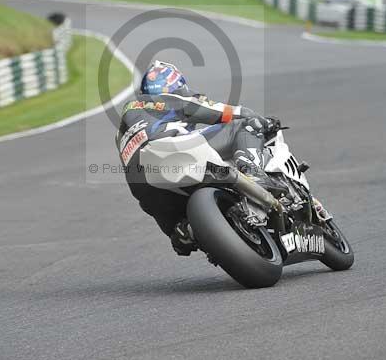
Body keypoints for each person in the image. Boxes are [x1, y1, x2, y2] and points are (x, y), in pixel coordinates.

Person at [115, 60, 285, 256]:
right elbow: (220, 112)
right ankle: (253, 171)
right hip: (175, 152)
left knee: (178, 230)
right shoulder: (171, 98)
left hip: (143, 185)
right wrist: (259, 119)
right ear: (177, 84)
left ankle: (183, 231)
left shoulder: (126, 120)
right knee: (246, 123)